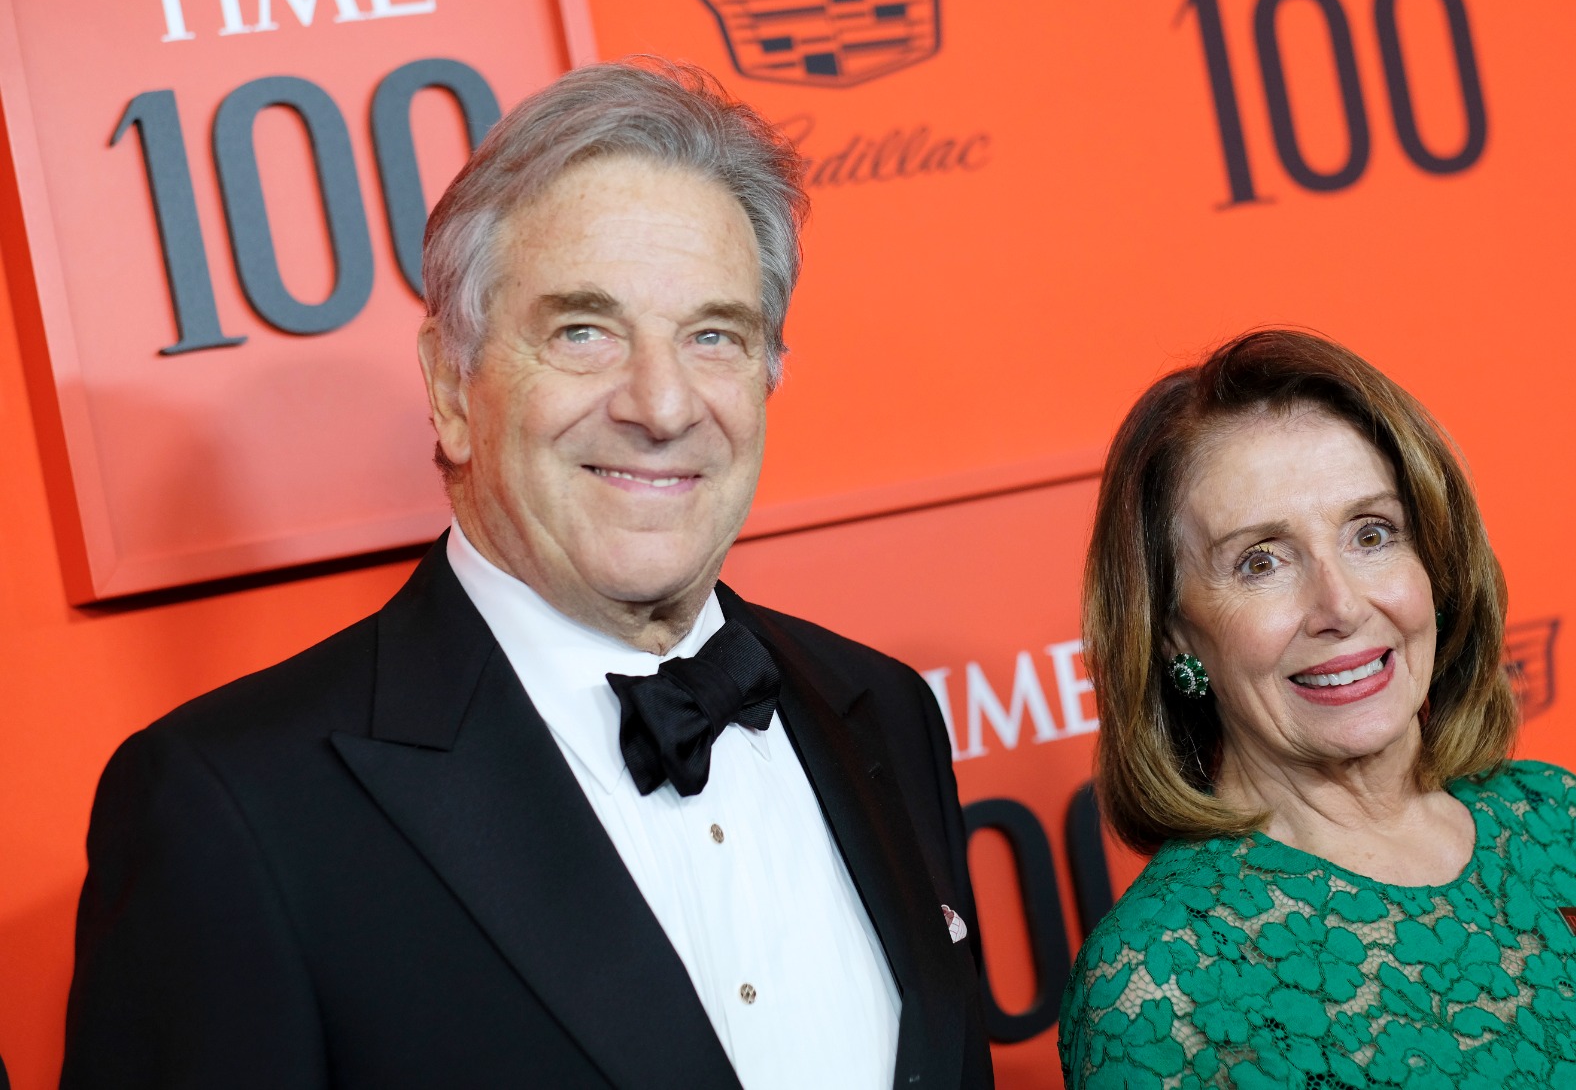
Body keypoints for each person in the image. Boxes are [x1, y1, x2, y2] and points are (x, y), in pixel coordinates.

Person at [63, 60, 992, 1090]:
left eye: (713, 335)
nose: (663, 403)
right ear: (451, 388)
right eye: (583, 331)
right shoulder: (234, 806)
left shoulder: (885, 713)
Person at [1059, 329, 1576, 1088]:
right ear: (1170, 633)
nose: (1341, 605)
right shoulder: (1157, 986)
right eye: (1261, 560)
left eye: (1372, 533)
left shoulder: (1560, 822)